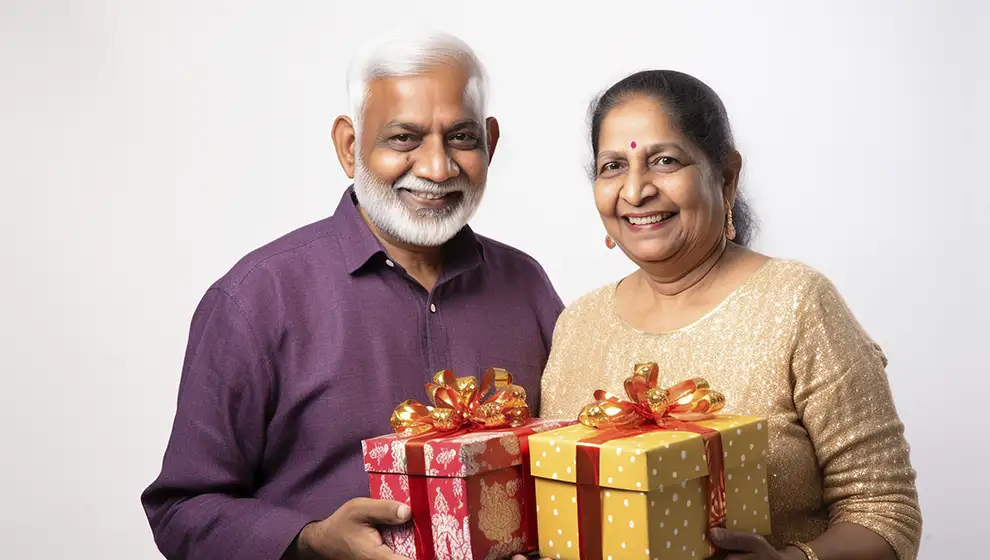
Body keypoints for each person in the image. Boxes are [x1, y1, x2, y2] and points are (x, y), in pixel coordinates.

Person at [141, 32, 564, 560]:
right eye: (404, 139)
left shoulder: (526, 285)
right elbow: (181, 508)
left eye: (460, 137)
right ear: (348, 146)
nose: (436, 168)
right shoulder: (257, 299)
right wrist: (309, 540)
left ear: (490, 144)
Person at [539, 70, 922, 560]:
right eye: (613, 166)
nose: (635, 191)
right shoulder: (577, 325)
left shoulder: (797, 304)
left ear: (726, 177)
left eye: (663, 160)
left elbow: (885, 511)